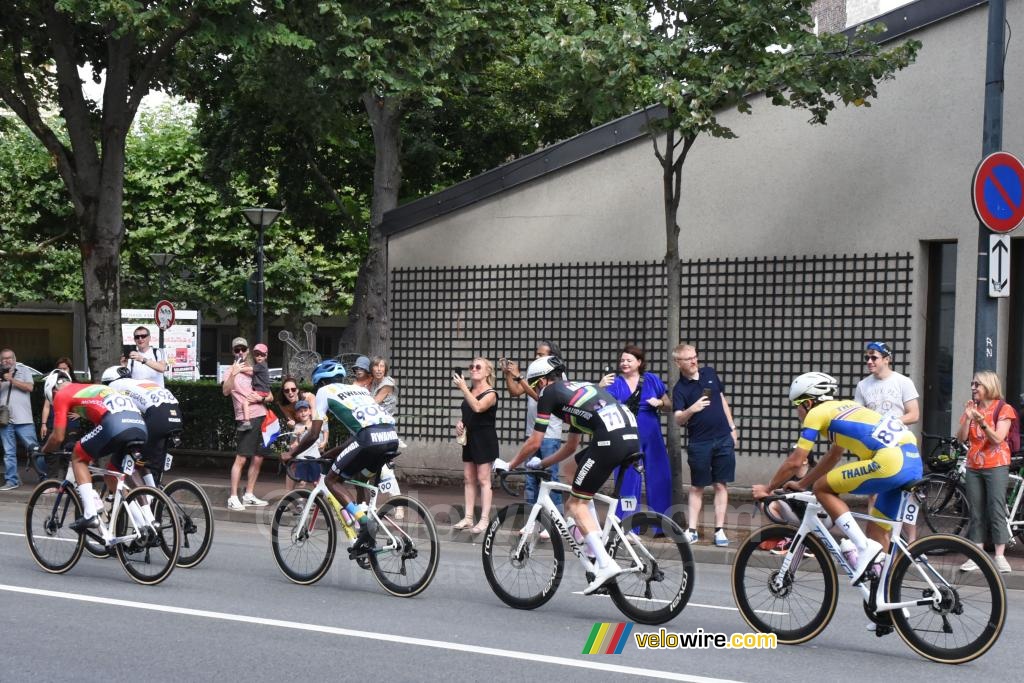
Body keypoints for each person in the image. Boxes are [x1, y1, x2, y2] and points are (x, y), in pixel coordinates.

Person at [752, 372, 922, 586]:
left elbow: (796, 461)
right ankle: (886, 604)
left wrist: (768, 488)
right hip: (912, 461)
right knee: (877, 533)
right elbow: (833, 455)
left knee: (822, 488)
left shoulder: (817, 413)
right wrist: (802, 484)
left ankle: (862, 548)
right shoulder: (846, 407)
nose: (797, 411)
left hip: (891, 461)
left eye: (797, 404)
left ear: (808, 402)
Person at [507, 355, 638, 595]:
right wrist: (542, 462)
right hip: (629, 437)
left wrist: (510, 464)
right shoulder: (575, 393)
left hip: (611, 440)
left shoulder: (550, 393)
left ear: (544, 381)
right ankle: (593, 545)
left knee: (576, 504)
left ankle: (605, 564)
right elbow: (570, 447)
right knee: (571, 470)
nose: (536, 392)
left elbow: (535, 440)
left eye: (535, 386)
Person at [283, 359, 399, 559]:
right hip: (390, 437)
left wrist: (290, 454)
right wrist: (331, 453)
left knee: (331, 480)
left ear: (320, 382)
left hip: (369, 438)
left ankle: (364, 522)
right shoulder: (359, 390)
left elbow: (313, 434)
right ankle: (366, 535)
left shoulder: (324, 392)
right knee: (361, 478)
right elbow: (357, 436)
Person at [38, 370, 148, 530]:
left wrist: (44, 449)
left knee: (78, 456)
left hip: (116, 424)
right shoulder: (88, 388)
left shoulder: (61, 394)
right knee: (112, 476)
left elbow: (58, 437)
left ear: (53, 391)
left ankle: (90, 514)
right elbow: (99, 423)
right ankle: (143, 526)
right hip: (139, 426)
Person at [599, 344, 672, 532]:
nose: (624, 363)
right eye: (622, 360)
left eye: (629, 360)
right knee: (627, 479)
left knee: (659, 477)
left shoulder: (652, 380)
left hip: (652, 436)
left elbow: (669, 405)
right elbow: (600, 406)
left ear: (639, 362)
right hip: (626, 436)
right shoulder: (614, 382)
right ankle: (629, 525)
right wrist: (599, 387)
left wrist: (661, 402)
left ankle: (662, 525)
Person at [672, 344, 738, 546]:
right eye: (688, 359)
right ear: (678, 363)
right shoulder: (679, 389)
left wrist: (732, 427)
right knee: (697, 486)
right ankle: (691, 530)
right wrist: (692, 409)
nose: (694, 361)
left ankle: (719, 530)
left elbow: (721, 398)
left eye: (695, 357)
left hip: (723, 437)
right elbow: (678, 419)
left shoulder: (709, 372)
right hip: (699, 442)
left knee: (721, 484)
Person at [854, 340, 920, 541]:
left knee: (906, 492)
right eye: (867, 357)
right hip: (874, 446)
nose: (869, 361)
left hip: (900, 443)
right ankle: (876, 539)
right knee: (874, 492)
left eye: (874, 357)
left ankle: (913, 542)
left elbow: (914, 414)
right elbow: (858, 415)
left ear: (887, 359)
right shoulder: (863, 385)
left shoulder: (903, 382)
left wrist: (889, 422)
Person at [956, 371, 1015, 574]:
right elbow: (961, 438)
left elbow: (998, 438)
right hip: (973, 465)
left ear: (989, 386)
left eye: (977, 384)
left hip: (996, 464)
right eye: (972, 384)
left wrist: (981, 421)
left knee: (996, 508)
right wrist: (967, 418)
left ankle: (1000, 555)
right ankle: (977, 555)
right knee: (976, 510)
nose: (973, 387)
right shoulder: (972, 408)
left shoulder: (1004, 409)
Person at [502, 340, 564, 518]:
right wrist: (509, 375)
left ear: (552, 356)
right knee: (530, 478)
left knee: (550, 477)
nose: (537, 357)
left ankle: (555, 518)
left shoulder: (557, 375)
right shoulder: (535, 373)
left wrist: (520, 378)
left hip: (549, 434)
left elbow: (541, 397)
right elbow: (515, 392)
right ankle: (532, 518)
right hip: (532, 433)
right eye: (536, 354)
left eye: (541, 354)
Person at [100, 366, 183, 486]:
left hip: (158, 416)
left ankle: (144, 501)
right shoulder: (139, 383)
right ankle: (153, 492)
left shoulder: (114, 386)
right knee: (143, 459)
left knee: (124, 460)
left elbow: (117, 416)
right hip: (176, 417)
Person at [222, 337, 272, 510]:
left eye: (243, 349)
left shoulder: (256, 370)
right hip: (246, 418)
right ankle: (233, 496)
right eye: (237, 350)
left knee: (258, 458)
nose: (240, 352)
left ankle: (249, 494)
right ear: (233, 352)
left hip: (262, 415)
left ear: (248, 350)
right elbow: (226, 391)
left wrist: (263, 397)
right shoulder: (230, 371)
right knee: (242, 457)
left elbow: (270, 394)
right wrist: (234, 373)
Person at [452, 357, 499, 534]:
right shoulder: (471, 389)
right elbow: (469, 412)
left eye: (478, 367)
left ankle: (485, 519)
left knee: (483, 479)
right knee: (468, 478)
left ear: (488, 372)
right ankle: (468, 517)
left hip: (485, 439)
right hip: (470, 438)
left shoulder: (491, 393)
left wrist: (463, 388)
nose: (473, 369)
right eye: (471, 366)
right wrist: (460, 423)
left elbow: (478, 407)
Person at [0, 348, 42, 489]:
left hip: (23, 418)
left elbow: (30, 387)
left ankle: (45, 478)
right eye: (3, 359)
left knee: (34, 449)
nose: (6, 360)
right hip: (5, 419)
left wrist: (11, 379)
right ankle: (12, 481)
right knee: (9, 452)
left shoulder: (23, 371)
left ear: (14, 359)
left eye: (9, 358)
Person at [40, 357, 81, 477]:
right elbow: (47, 406)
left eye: (65, 368)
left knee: (68, 453)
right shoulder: (52, 385)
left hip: (71, 423)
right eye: (60, 369)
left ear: (70, 369)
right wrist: (43, 424)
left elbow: (84, 403)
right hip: (55, 421)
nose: (62, 371)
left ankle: (68, 482)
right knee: (53, 453)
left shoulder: (75, 385)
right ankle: (52, 481)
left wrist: (80, 414)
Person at [287, 399, 328, 493]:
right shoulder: (297, 427)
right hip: (301, 458)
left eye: (305, 410)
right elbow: (294, 443)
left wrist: (324, 441)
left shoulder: (315, 424)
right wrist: (294, 443)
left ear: (310, 411)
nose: (303, 413)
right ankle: (301, 500)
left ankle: (318, 501)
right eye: (300, 411)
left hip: (315, 457)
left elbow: (322, 429)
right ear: (297, 414)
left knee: (316, 482)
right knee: (301, 482)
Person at [237, 342, 271, 431]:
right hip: (263, 391)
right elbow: (251, 372)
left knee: (245, 403)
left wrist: (238, 369)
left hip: (260, 391)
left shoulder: (261, 365)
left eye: (262, 355)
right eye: (257, 354)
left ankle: (247, 422)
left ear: (266, 356)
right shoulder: (261, 366)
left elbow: (249, 369)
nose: (259, 357)